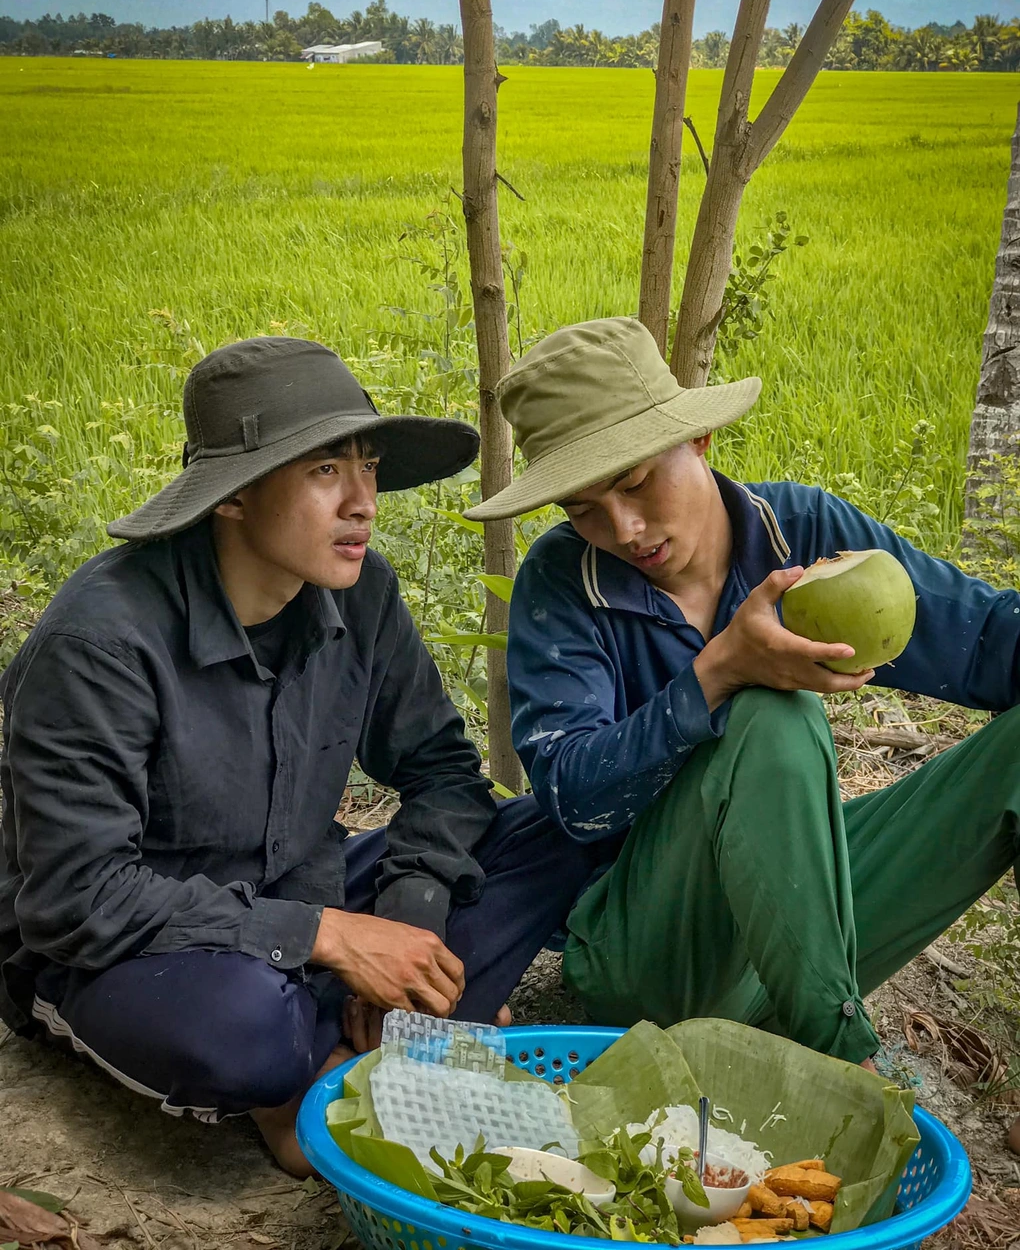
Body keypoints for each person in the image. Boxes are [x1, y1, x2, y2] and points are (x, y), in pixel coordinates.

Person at [0, 336, 602, 1175]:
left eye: (369, 466)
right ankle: (322, 1067)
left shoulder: (361, 594)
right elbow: (76, 897)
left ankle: (354, 1045)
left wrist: (407, 921)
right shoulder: (101, 644)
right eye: (325, 470)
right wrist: (331, 938)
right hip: (139, 945)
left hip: (299, 886)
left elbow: (442, 772)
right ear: (233, 497)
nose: (364, 501)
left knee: (555, 828)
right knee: (245, 1029)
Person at [467, 316, 1020, 1069]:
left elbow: (986, 640)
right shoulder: (562, 582)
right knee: (769, 712)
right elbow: (571, 797)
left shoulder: (800, 531)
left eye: (634, 481)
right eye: (582, 508)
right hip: (652, 960)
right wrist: (717, 674)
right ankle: (843, 1059)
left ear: (697, 438)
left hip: (801, 928)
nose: (624, 528)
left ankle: (803, 1013)